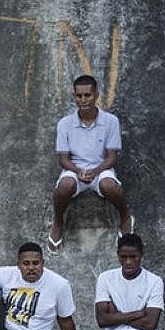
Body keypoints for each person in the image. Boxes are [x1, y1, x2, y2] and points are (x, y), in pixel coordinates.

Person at [48, 74, 132, 250]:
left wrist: (95, 171)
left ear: (96, 95)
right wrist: (78, 171)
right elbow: (63, 159)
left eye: (87, 95)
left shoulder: (110, 121)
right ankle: (58, 222)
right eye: (79, 96)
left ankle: (125, 217)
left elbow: (111, 157)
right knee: (64, 187)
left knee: (109, 186)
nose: (83, 100)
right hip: (75, 169)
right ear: (74, 96)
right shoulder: (64, 124)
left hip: (101, 168)